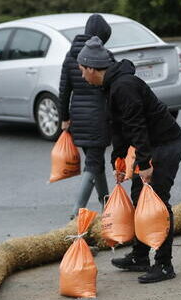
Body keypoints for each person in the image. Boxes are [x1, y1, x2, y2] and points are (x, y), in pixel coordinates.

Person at [77, 37, 181, 284]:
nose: (83, 76)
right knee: (139, 197)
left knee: (157, 202)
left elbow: (137, 127)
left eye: (83, 71)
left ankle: (164, 264)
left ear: (92, 68)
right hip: (150, 145)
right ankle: (140, 256)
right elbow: (120, 126)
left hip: (165, 144)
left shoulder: (123, 86)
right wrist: (119, 158)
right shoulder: (112, 85)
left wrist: (145, 164)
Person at [59, 14, 113, 219]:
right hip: (99, 118)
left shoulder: (70, 54)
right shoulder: (104, 56)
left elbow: (64, 90)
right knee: (93, 164)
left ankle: (107, 208)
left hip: (78, 118)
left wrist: (64, 118)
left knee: (95, 163)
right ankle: (76, 213)